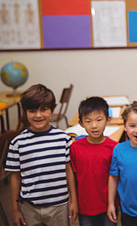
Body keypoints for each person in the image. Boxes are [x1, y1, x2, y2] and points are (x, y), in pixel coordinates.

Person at [5, 84, 78, 226]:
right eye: (32, 111)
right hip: (29, 207)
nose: (38, 115)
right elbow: (15, 177)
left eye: (44, 109)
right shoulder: (17, 143)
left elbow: (69, 171)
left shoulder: (63, 139)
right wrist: (15, 210)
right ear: (25, 112)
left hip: (59, 206)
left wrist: (74, 201)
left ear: (53, 109)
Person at [70, 96, 117, 226]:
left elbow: (117, 178)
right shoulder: (75, 148)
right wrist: (74, 202)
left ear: (108, 120)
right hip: (85, 207)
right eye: (88, 121)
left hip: (108, 205)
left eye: (99, 120)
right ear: (81, 123)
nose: (94, 125)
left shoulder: (114, 148)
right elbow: (72, 177)